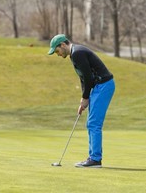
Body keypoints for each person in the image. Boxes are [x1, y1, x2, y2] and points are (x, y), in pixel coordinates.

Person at [48, 34, 115, 168]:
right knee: (91, 123)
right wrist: (82, 100)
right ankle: (93, 158)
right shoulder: (74, 54)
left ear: (63, 45)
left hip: (103, 85)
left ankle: (95, 160)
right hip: (98, 87)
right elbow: (84, 78)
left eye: (57, 51)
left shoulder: (78, 53)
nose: (58, 54)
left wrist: (86, 98)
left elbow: (89, 78)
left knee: (93, 123)